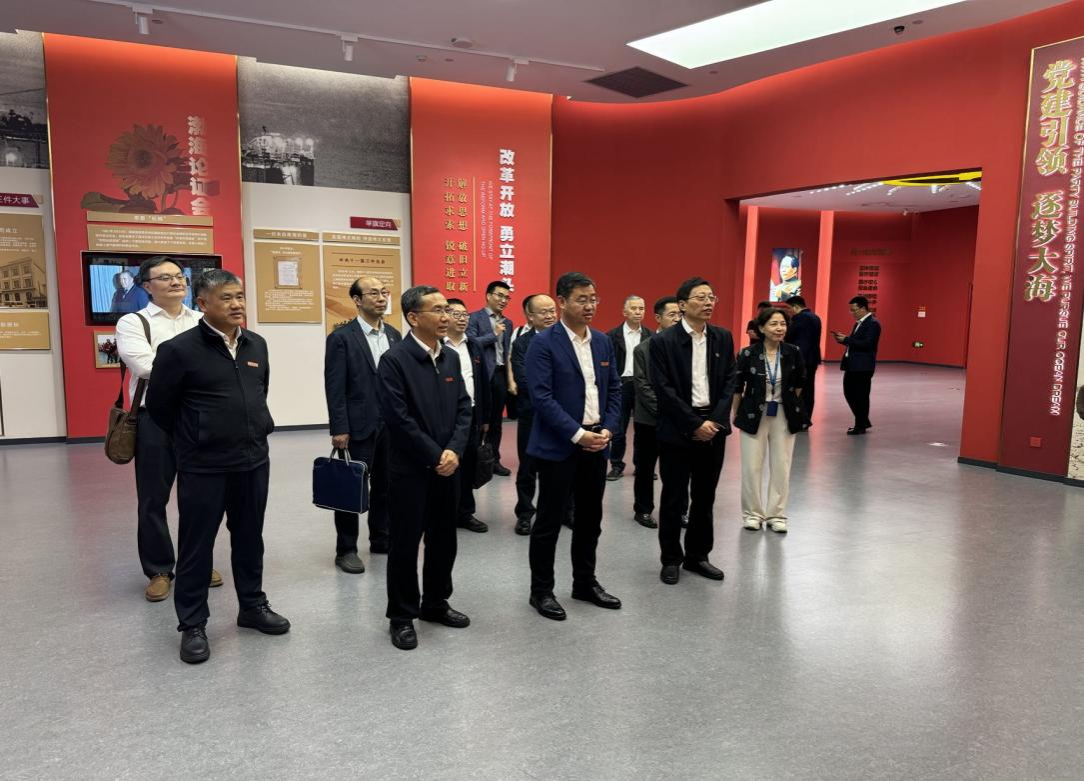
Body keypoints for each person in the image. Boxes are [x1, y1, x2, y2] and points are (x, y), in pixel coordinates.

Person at [147, 269, 289, 664]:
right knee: (197, 546)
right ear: (203, 303)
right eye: (226, 298)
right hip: (203, 466)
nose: (237, 304)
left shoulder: (256, 344)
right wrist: (195, 438)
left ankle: (252, 606)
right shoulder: (179, 350)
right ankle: (193, 624)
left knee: (250, 537)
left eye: (240, 296)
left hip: (253, 461)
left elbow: (260, 392)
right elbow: (160, 408)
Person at [116, 256, 222, 602]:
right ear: (147, 286)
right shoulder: (134, 322)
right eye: (165, 278)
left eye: (179, 276)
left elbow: (222, 362)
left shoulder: (203, 320)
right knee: (153, 499)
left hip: (199, 419)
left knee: (200, 497)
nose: (176, 282)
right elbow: (146, 367)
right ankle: (159, 569)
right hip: (156, 419)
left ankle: (197, 563)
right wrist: (199, 372)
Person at [377, 286, 473, 651]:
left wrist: (454, 451)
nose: (447, 317)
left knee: (444, 538)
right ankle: (402, 615)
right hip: (410, 469)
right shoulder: (395, 360)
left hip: (448, 466)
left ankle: (435, 602)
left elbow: (464, 407)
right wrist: (436, 455)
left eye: (447, 309)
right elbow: (398, 419)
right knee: (405, 542)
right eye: (438, 310)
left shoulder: (450, 357)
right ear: (414, 318)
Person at [524, 271, 622, 620]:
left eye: (593, 299)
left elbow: (614, 390)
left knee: (590, 519)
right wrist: (578, 434)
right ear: (562, 302)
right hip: (560, 446)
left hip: (597, 443)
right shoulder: (543, 343)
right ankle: (541, 591)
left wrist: (608, 429)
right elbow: (542, 398)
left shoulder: (602, 342)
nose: (589, 305)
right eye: (582, 299)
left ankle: (584, 583)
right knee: (549, 521)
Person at [650, 277, 735, 586]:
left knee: (704, 496)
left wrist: (714, 421)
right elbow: (663, 389)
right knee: (674, 497)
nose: (709, 302)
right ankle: (671, 558)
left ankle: (698, 556)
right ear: (683, 305)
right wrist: (694, 424)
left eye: (711, 297)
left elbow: (730, 381)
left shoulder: (722, 337)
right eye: (701, 297)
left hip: (713, 427)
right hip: (677, 428)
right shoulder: (663, 341)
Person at [323, 277, 401, 574]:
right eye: (373, 293)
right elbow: (335, 386)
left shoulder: (394, 335)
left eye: (384, 292)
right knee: (351, 487)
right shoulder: (342, 337)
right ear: (357, 300)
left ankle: (381, 538)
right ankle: (346, 550)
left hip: (390, 425)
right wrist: (339, 427)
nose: (381, 298)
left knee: (385, 485)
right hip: (357, 425)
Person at [733, 307, 806, 534]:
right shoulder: (747, 354)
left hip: (783, 413)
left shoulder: (793, 352)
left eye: (782, 324)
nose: (779, 328)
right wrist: (736, 413)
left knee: (782, 465)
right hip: (753, 414)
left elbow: (799, 383)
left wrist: (787, 404)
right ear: (761, 328)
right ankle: (752, 514)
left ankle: (777, 515)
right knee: (751, 467)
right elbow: (737, 387)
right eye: (773, 324)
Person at [630, 296, 682, 528]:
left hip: (679, 420)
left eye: (680, 314)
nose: (677, 319)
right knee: (645, 467)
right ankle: (643, 509)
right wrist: (666, 410)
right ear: (658, 318)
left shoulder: (687, 346)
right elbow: (642, 385)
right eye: (672, 314)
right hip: (649, 419)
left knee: (678, 469)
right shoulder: (643, 348)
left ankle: (679, 510)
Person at [509, 293, 558, 536]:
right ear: (530, 316)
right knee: (528, 467)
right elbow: (524, 380)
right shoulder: (522, 344)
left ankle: (563, 510)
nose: (550, 315)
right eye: (543, 312)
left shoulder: (566, 339)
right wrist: (553, 397)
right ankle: (525, 513)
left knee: (561, 466)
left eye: (552, 310)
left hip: (563, 417)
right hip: (533, 414)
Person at [445, 298, 491, 534]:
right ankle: (445, 513)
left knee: (469, 463)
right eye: (456, 314)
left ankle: (465, 512)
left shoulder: (474, 345)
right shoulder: (438, 344)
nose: (462, 319)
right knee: (446, 464)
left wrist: (484, 418)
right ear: (445, 315)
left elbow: (482, 382)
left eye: (465, 315)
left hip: (471, 413)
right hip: (444, 416)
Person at [467, 281, 515, 476]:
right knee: (480, 419)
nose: (503, 300)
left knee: (496, 421)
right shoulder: (474, 318)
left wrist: (511, 379)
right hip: (482, 375)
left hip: (500, 374)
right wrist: (493, 335)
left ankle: (494, 460)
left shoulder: (508, 322)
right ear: (488, 296)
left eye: (507, 297)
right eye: (499, 295)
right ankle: (474, 459)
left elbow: (507, 352)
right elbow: (471, 343)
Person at [606, 295, 652, 481]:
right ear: (624, 312)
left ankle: (642, 466)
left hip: (642, 386)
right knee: (618, 430)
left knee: (643, 430)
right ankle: (616, 465)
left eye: (641, 308)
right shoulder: (612, 335)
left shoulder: (651, 336)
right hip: (621, 385)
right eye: (633, 308)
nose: (638, 312)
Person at [831, 295, 881, 435]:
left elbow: (868, 344)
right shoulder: (859, 323)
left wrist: (847, 339)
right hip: (853, 365)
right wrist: (843, 340)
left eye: (854, 310)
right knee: (850, 393)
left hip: (863, 366)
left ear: (863, 308)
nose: (852, 313)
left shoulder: (873, 323)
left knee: (860, 396)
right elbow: (856, 343)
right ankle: (863, 421)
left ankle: (860, 425)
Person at [785, 295, 822, 429]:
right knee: (809, 390)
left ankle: (799, 419)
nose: (788, 312)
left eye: (789, 308)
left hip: (800, 359)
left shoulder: (799, 318)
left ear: (796, 307)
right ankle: (806, 420)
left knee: (798, 390)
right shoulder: (815, 317)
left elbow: (789, 336)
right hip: (812, 358)